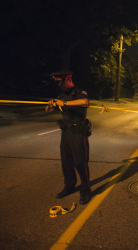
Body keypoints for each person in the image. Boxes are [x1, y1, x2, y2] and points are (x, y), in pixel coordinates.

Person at [46, 70, 91, 205]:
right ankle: (69, 185)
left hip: (78, 132)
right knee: (66, 162)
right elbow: (48, 110)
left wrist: (64, 104)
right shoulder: (62, 95)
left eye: (61, 82)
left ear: (68, 80)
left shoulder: (78, 92)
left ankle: (85, 189)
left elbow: (85, 102)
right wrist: (50, 105)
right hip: (65, 133)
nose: (59, 85)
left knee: (80, 162)